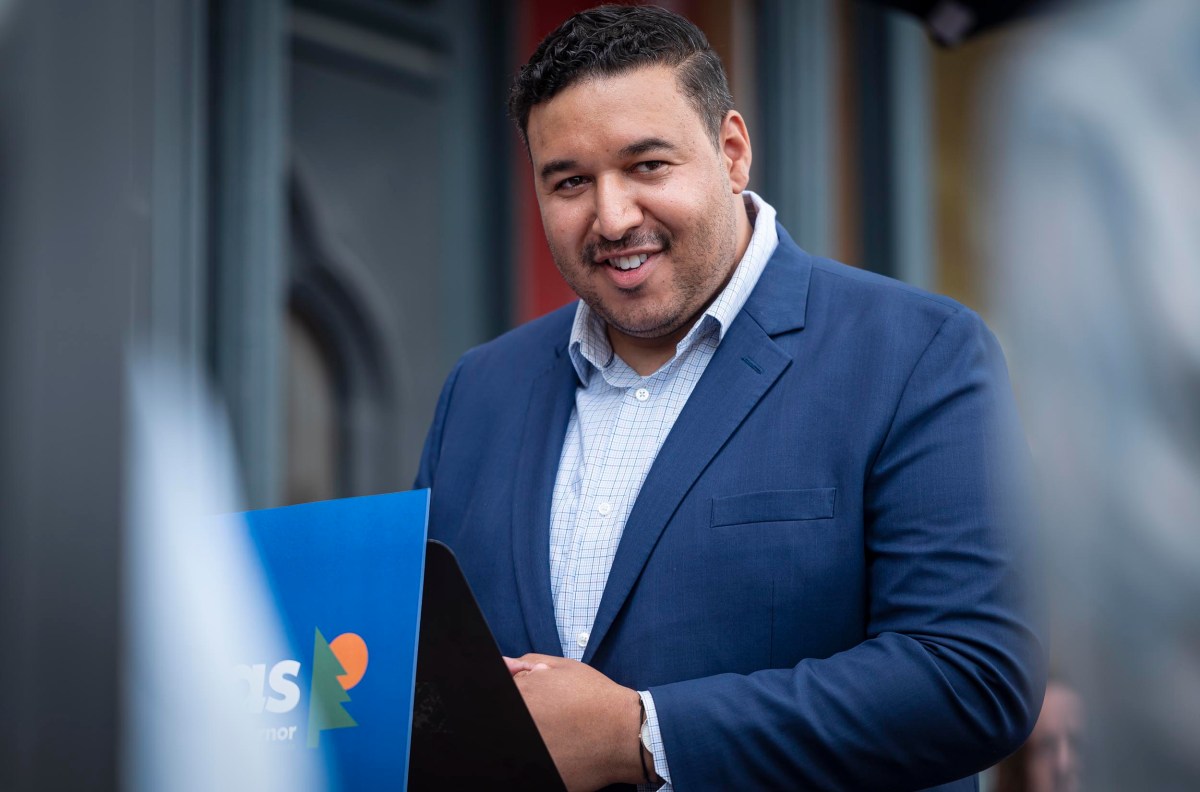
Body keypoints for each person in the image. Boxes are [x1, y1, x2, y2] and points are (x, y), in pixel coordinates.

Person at [416, 5, 1045, 790]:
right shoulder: (479, 389)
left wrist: (642, 735)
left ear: (733, 151)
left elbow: (970, 677)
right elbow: (424, 663)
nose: (612, 217)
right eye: (571, 181)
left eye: (648, 166)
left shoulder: (918, 351)